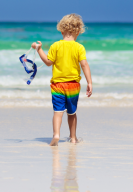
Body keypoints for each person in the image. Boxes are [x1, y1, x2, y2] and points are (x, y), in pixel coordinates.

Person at [31, 14, 92, 146]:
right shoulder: (79, 47)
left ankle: (56, 135)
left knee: (58, 112)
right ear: (78, 32)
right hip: (73, 86)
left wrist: (39, 49)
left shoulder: (55, 46)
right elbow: (84, 65)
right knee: (72, 112)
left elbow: (48, 62)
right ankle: (73, 138)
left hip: (58, 85)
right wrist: (89, 82)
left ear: (61, 30)